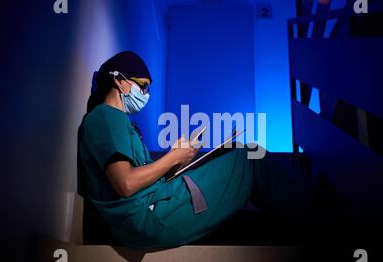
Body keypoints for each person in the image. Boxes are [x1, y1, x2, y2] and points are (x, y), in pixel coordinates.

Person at [77, 51, 310, 249]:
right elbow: (125, 183)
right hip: (149, 216)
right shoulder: (106, 117)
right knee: (249, 157)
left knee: (239, 154)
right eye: (143, 86)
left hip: (151, 206)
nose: (146, 95)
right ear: (120, 80)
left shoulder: (115, 122)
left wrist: (178, 160)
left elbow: (139, 181)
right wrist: (171, 158)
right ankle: (323, 224)